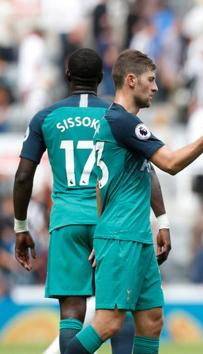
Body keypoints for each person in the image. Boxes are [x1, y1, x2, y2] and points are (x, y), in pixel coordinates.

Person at [64, 49, 203, 354]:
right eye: (150, 79)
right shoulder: (123, 122)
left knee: (152, 319)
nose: (156, 87)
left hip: (134, 236)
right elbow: (170, 163)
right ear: (131, 81)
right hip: (122, 235)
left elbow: (112, 180)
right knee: (108, 322)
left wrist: (163, 221)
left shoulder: (121, 124)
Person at [13, 48, 167, 354]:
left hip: (67, 222)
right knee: (116, 309)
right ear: (101, 78)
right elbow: (145, 170)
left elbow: (22, 176)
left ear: (67, 75)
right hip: (109, 222)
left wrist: (20, 227)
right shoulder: (117, 116)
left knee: (72, 314)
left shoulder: (45, 117)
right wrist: (161, 219)